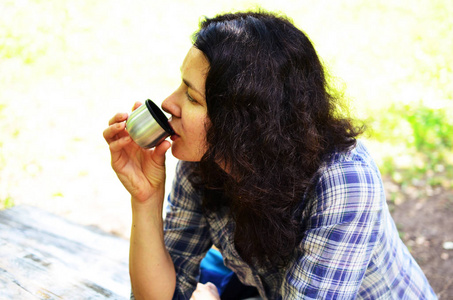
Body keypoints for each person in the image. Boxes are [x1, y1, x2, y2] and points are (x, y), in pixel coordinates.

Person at [103, 10, 437, 300]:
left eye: (191, 97)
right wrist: (145, 199)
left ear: (243, 120)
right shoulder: (204, 163)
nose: (168, 103)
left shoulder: (345, 182)